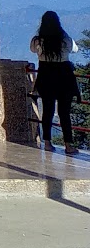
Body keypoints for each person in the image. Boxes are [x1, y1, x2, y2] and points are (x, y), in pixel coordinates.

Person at [30, 11, 80, 155]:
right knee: (64, 112)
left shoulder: (37, 40)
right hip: (64, 76)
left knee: (48, 110)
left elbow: (33, 50)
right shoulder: (65, 39)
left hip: (46, 76)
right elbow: (74, 49)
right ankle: (68, 145)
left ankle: (47, 143)